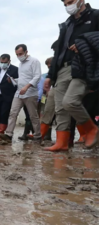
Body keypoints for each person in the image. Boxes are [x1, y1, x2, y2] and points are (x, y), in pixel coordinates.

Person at [44, 0, 99, 151]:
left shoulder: (95, 16)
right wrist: (50, 75)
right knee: (60, 108)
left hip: (83, 67)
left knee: (70, 102)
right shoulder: (66, 24)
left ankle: (92, 129)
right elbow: (58, 52)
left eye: (70, 1)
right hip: (62, 68)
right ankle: (62, 143)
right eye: (64, 4)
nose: (68, 6)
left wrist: (84, 43)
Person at [0, 44, 42, 143]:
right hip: (19, 92)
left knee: (33, 115)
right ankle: (8, 135)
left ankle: (38, 136)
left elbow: (37, 76)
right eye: (17, 54)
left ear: (26, 52)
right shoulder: (21, 64)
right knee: (13, 113)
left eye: (20, 54)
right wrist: (14, 80)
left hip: (30, 93)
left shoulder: (34, 61)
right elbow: (23, 78)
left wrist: (27, 86)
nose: (19, 56)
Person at [0, 54, 19, 140]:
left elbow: (18, 83)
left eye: (4, 62)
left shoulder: (15, 70)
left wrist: (12, 81)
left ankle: (1, 133)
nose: (3, 64)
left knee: (4, 114)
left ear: (9, 61)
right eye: (1, 62)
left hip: (8, 96)